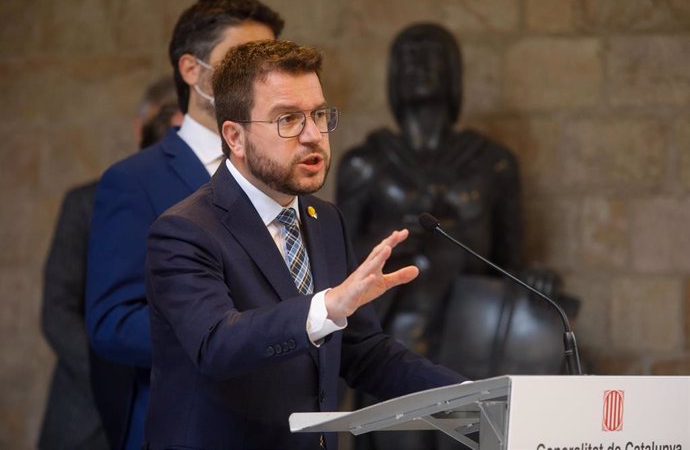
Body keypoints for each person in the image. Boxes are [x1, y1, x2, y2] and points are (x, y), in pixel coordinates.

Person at [144, 39, 466, 450]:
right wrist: (327, 306)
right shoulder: (184, 231)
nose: (313, 135)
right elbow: (216, 345)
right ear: (236, 137)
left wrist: (471, 395)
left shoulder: (325, 220)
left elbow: (361, 351)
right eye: (288, 119)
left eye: (318, 115)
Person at [85, 0, 284, 449]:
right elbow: (112, 324)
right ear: (192, 71)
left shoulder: (282, 173)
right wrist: (234, 335)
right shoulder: (134, 180)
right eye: (241, 61)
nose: (262, 79)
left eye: (268, 64)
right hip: (189, 426)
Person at [336, 22, 522, 450]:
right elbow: (339, 266)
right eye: (408, 56)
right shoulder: (366, 163)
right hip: (396, 332)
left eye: (431, 54)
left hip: (471, 331)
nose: (418, 66)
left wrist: (536, 280)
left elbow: (510, 259)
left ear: (454, 72)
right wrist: (393, 240)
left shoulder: (492, 163)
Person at [38, 75, 181, 450]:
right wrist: (113, 382)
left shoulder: (207, 206)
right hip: (86, 415)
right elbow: (58, 310)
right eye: (162, 124)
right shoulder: (86, 202)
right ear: (140, 128)